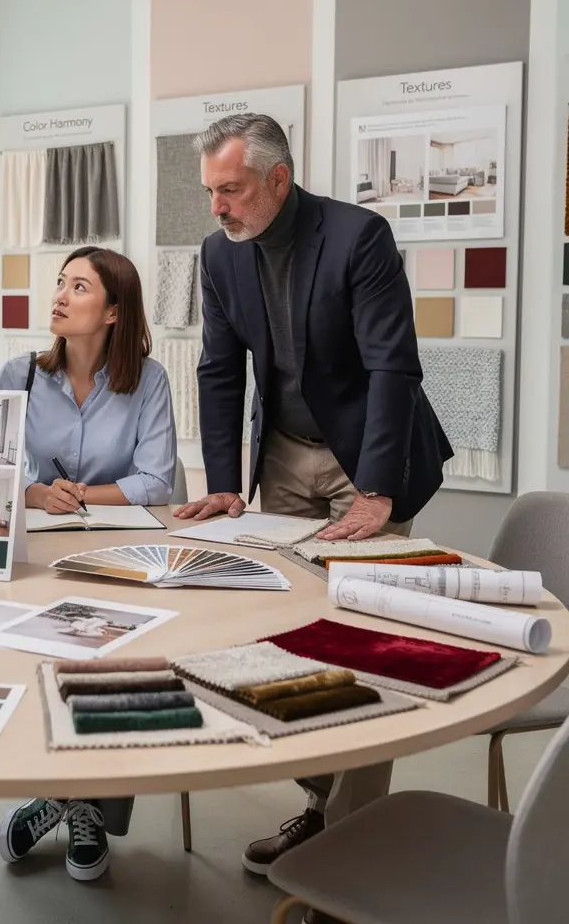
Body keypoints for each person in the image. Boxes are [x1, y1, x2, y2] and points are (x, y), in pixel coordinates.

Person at [173, 114, 451, 924]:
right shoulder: (220, 253)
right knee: (294, 641)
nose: (218, 208)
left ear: (277, 179)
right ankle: (319, 810)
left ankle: (361, 837)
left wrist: (377, 491)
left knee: (369, 643)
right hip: (284, 458)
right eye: (211, 192)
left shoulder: (358, 235)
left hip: (367, 455)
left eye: (230, 190)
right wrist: (224, 484)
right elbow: (220, 369)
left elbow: (392, 365)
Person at [0, 246, 176, 881]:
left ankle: (72, 803)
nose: (60, 297)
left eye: (79, 287)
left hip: (117, 551)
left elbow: (157, 481)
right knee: (35, 655)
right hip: (37, 552)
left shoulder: (149, 380)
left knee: (120, 660)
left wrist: (76, 494)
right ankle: (69, 795)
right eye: (60, 285)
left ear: (114, 313)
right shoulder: (18, 374)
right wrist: (35, 492)